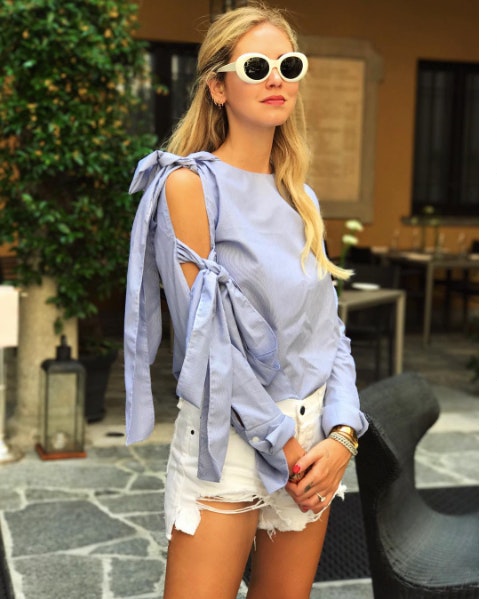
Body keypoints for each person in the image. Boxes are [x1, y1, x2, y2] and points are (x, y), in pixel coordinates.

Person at [123, 4, 367, 598]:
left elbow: (329, 332)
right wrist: (284, 443)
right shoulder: (188, 186)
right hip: (230, 439)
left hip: (313, 436)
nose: (276, 78)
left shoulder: (301, 197)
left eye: (289, 65)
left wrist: (343, 434)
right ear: (218, 86)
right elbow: (208, 344)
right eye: (256, 66)